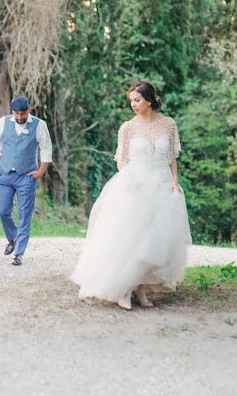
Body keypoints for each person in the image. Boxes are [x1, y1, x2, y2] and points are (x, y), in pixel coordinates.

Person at [71, 81, 192, 309]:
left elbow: (172, 158)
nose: (133, 105)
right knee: (131, 238)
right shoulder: (128, 127)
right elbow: (121, 162)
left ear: (149, 99)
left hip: (162, 185)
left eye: (137, 100)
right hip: (134, 184)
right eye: (131, 101)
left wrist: (175, 180)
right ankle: (123, 290)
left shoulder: (168, 125)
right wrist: (132, 182)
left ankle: (141, 290)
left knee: (155, 241)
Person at [0, 96, 52, 266]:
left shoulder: (39, 125)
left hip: (27, 176)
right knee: (2, 210)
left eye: (22, 114)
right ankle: (13, 238)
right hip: (5, 175)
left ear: (29, 110)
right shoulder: (3, 122)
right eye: (16, 114)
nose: (19, 117)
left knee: (25, 215)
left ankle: (18, 253)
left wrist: (40, 171)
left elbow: (46, 148)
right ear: (12, 111)